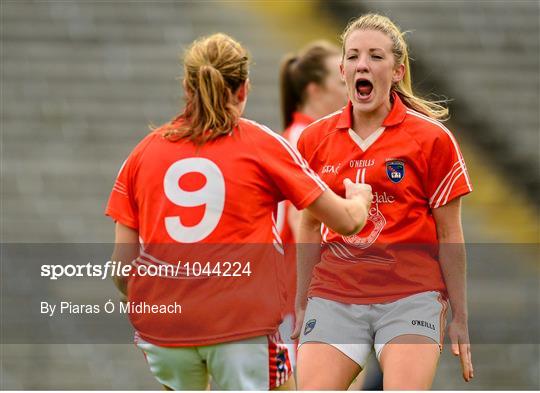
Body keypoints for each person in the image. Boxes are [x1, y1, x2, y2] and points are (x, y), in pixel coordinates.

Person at [106, 33, 372, 391]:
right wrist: (361, 199)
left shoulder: (141, 155)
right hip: (241, 326)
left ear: (187, 87)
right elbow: (345, 221)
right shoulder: (261, 145)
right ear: (244, 89)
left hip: (166, 329)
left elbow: (122, 271)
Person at [291, 14, 474, 390]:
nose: (363, 64)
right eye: (354, 56)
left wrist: (460, 316)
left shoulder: (432, 139)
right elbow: (309, 224)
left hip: (411, 295)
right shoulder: (314, 140)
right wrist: (301, 301)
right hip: (335, 294)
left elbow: (449, 232)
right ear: (342, 70)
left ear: (396, 71)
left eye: (376, 56)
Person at [275, 40, 347, 367]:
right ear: (315, 90)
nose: (353, 88)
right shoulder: (301, 140)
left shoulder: (314, 136)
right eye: (342, 82)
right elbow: (297, 219)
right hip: (299, 294)